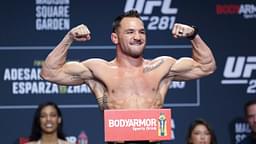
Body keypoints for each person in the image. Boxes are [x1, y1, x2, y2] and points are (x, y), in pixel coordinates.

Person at [40, 10, 216, 143]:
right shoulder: (98, 70)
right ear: (115, 38)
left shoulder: (162, 67)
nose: (138, 37)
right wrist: (69, 38)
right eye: (130, 32)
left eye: (142, 32)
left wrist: (194, 35)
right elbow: (49, 72)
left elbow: (207, 67)